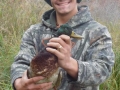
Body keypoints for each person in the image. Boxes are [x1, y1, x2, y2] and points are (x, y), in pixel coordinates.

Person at [11, 0, 115, 90]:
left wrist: (69, 63)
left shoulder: (97, 32)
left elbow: (103, 71)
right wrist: (19, 83)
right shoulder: (34, 32)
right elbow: (21, 62)